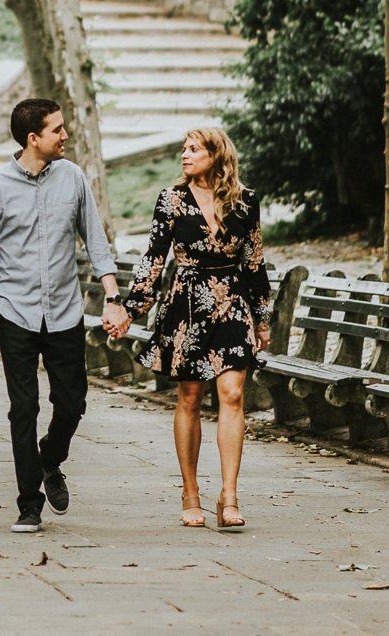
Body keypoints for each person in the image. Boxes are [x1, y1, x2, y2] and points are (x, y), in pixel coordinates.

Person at [0, 98, 130, 534]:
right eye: (57, 130)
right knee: (24, 407)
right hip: (15, 311)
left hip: (64, 312)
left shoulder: (72, 178)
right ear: (33, 138)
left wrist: (113, 297)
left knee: (71, 403)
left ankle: (50, 459)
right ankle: (28, 503)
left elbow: (96, 242)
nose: (65, 135)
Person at [109, 126, 269, 530]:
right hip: (187, 307)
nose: (185, 154)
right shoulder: (171, 200)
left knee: (232, 395)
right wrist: (131, 309)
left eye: (194, 148)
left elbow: (254, 261)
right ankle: (191, 491)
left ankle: (229, 496)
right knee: (191, 399)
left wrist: (263, 318)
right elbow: (153, 260)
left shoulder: (245, 201)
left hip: (232, 303)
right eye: (184, 148)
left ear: (217, 155)